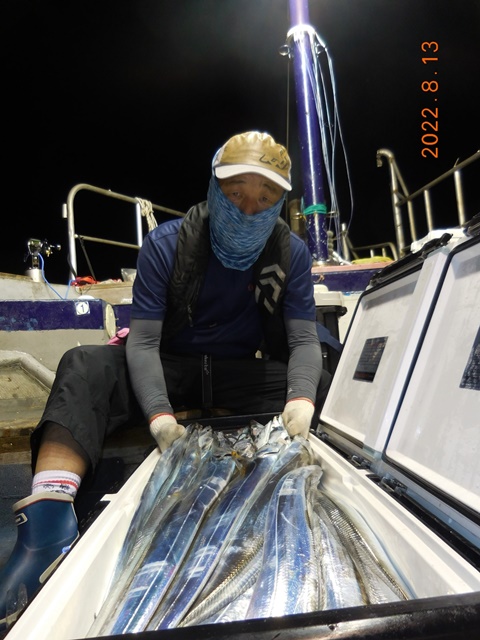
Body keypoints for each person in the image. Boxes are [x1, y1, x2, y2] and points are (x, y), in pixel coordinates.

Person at [0, 130, 331, 628]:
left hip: (237, 370)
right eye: (236, 192)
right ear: (215, 189)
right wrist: (158, 414)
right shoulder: (166, 243)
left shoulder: (292, 254)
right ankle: (44, 531)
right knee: (83, 365)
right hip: (170, 365)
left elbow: (303, 339)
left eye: (264, 198)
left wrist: (301, 399)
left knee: (322, 370)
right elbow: (144, 342)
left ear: (279, 204)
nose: (248, 209)